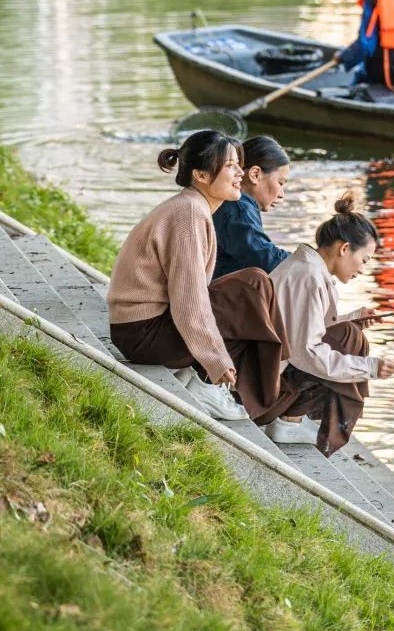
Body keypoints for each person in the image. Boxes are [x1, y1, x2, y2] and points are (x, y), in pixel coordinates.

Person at [107, 130, 292, 425]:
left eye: (239, 165)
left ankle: (231, 383)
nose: (239, 174)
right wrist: (215, 360)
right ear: (202, 176)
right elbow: (189, 299)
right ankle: (212, 384)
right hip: (143, 333)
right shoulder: (189, 213)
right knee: (251, 286)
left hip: (145, 328)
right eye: (231, 166)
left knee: (254, 282)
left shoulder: (194, 207)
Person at [266, 193, 394, 455]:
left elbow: (303, 328)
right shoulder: (310, 276)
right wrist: (369, 367)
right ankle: (289, 419)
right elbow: (308, 352)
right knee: (350, 338)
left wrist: (353, 319)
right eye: (364, 260)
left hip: (271, 367)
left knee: (350, 331)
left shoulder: (307, 268)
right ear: (344, 248)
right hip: (265, 384)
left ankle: (298, 419)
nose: (362, 269)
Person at [213, 134, 291, 279]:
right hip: (215, 298)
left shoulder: (227, 202)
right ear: (255, 174)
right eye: (280, 183)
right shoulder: (238, 208)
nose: (281, 194)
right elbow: (266, 260)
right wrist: (313, 261)